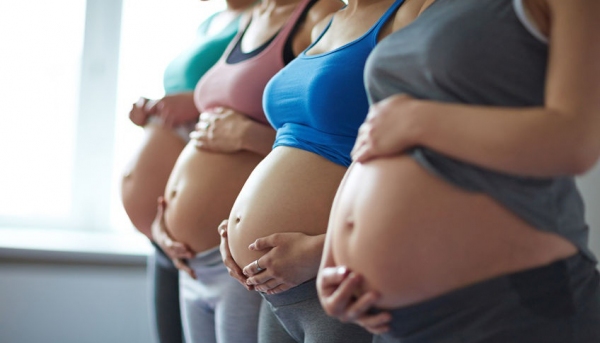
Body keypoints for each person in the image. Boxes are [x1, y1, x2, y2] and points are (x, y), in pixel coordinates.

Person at [316, 0, 600, 342]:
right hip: (392, 320)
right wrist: (331, 262)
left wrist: (417, 121)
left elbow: (575, 141)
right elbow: (375, 138)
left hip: (509, 308)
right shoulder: (425, 6)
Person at [215, 0, 429, 341]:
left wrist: (323, 251)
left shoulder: (414, 12)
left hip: (335, 278)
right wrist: (238, 225)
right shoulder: (325, 25)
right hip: (274, 291)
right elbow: (289, 147)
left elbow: (427, 166)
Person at [150, 0, 344, 341]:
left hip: (256, 261)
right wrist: (165, 219)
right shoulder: (250, 19)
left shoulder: (321, 13)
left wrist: (245, 135)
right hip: (198, 258)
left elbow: (318, 133)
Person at [120, 1, 256, 341]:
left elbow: (245, 96)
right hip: (163, 231)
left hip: (210, 240)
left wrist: (193, 102)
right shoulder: (210, 22)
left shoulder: (266, 19)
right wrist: (154, 111)